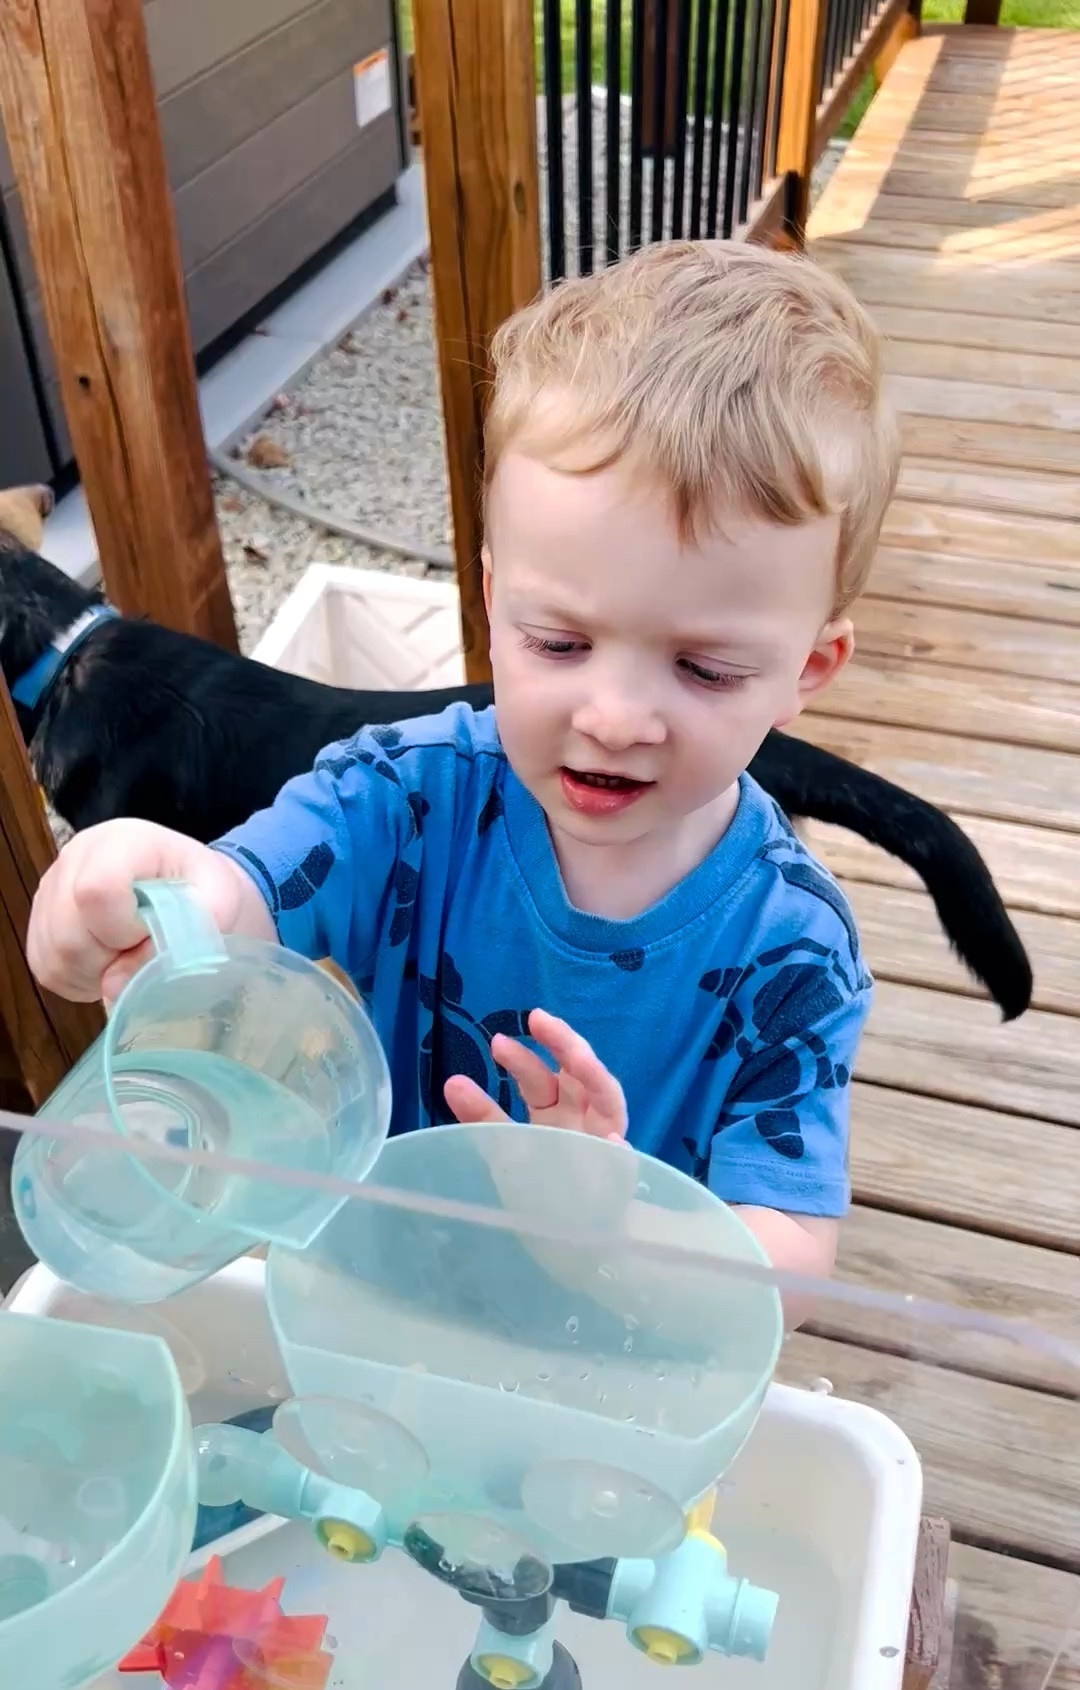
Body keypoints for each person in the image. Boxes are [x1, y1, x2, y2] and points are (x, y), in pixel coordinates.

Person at [26, 239, 899, 1288]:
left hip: (623, 1357)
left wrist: (613, 1226)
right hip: (384, 1296)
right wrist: (140, 878)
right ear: (491, 599)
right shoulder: (407, 793)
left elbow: (794, 1265)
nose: (616, 717)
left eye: (705, 669)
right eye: (559, 643)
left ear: (809, 667)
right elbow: (248, 890)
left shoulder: (790, 947)